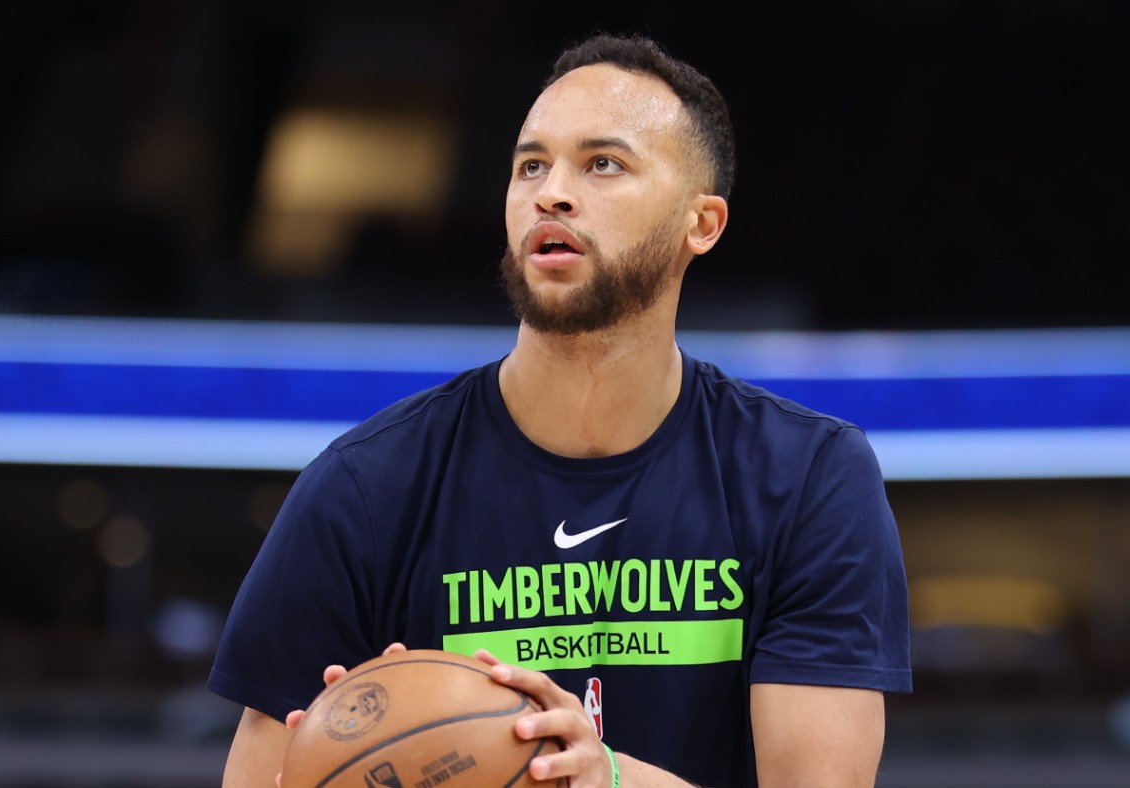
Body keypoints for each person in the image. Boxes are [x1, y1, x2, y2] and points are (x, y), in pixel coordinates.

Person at [209, 33, 911, 787]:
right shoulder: (365, 487)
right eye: (531, 166)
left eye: (603, 164)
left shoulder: (808, 477)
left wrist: (608, 777)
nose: (551, 193)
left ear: (702, 223)